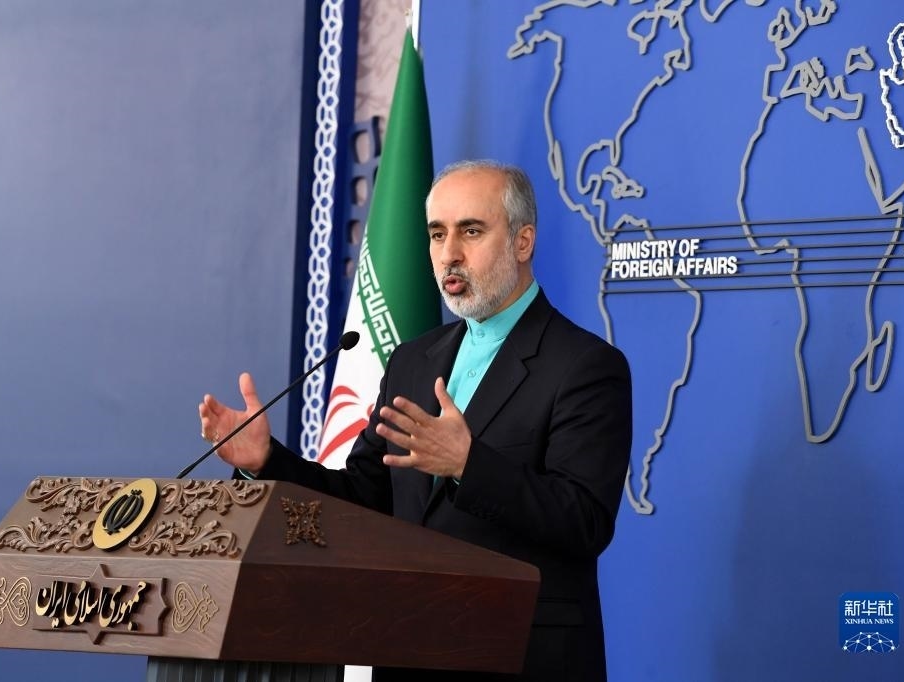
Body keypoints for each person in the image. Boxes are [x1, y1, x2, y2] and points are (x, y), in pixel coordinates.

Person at [199, 160, 632, 681]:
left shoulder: (585, 366)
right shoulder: (413, 361)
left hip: (521, 656)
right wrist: (267, 462)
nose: (449, 253)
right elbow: (364, 498)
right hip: (410, 650)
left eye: (471, 231)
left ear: (523, 242)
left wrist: (468, 465)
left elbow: (584, 522)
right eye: (437, 234)